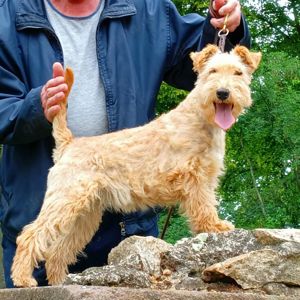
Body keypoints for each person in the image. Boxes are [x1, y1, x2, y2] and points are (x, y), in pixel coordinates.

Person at [0, 0, 249, 288]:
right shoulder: (8, 15)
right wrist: (34, 108)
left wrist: (226, 25)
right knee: (58, 219)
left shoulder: (150, 10)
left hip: (130, 231)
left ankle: (57, 266)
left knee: (83, 220)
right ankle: (24, 264)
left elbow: (197, 54)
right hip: (67, 167)